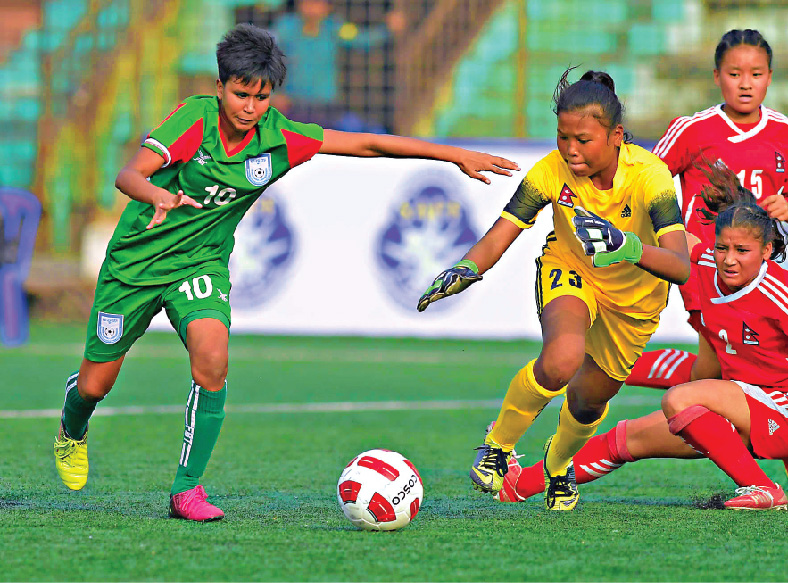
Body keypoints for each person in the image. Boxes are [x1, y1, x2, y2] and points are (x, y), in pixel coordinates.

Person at [51, 23, 518, 522]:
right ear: (220, 88)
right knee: (95, 386)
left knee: (213, 358)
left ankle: (187, 490)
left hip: (198, 264)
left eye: (261, 96)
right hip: (135, 265)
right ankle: (72, 429)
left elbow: (367, 145)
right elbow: (129, 174)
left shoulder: (281, 137)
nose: (250, 107)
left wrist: (454, 155)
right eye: (240, 93)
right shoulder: (193, 119)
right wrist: (158, 195)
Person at [494, 160, 788, 509]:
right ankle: (517, 486)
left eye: (743, 251)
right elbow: (670, 245)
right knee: (623, 439)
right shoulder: (699, 267)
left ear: (766, 251)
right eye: (723, 247)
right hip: (737, 396)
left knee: (680, 399)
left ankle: (763, 488)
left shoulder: (782, 294)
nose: (729, 259)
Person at [545, 28, 788, 496]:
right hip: (706, 270)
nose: (745, 83)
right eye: (734, 73)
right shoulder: (694, 129)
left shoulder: (786, 132)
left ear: (769, 78)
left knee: (728, 369)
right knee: (738, 366)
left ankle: (607, 369)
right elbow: (651, 174)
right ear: (717, 77)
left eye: (756, 74)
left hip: (757, 273)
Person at [417, 68, 690, 511]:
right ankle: (498, 447)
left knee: (586, 403)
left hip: (635, 304)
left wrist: (628, 247)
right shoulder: (550, 171)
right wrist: (465, 268)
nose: (571, 149)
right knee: (562, 360)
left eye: (584, 140)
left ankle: (558, 465)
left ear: (616, 135)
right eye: (564, 137)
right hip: (571, 270)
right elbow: (500, 234)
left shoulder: (650, 177)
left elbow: (680, 266)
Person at [271, 0, 404, 131]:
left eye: (317, 3)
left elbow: (362, 39)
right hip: (292, 105)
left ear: (327, 7)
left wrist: (387, 29)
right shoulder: (285, 27)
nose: (311, 7)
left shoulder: (334, 27)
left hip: (326, 107)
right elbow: (265, 58)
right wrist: (273, 95)